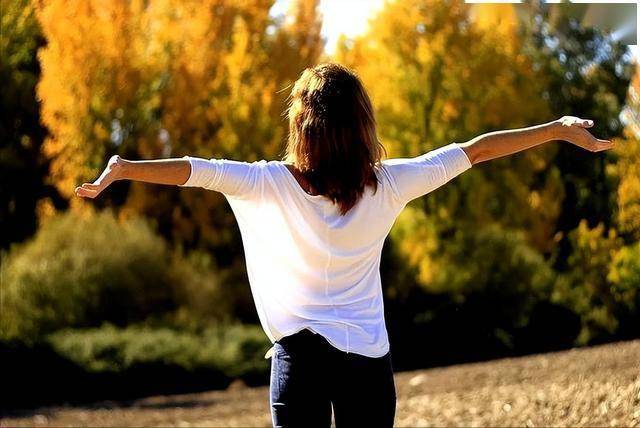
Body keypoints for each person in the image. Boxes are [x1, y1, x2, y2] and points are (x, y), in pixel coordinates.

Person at [75, 62, 613, 427]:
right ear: (362, 126)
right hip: (367, 363)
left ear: (301, 127)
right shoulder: (390, 184)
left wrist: (124, 169)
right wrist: (555, 128)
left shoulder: (267, 183)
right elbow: (474, 151)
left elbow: (195, 170)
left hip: (299, 362)